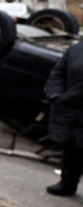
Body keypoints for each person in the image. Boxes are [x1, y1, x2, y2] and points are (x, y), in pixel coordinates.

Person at [43, 42, 83, 196]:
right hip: (72, 110)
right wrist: (55, 95)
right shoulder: (76, 50)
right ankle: (67, 184)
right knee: (71, 150)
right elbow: (58, 74)